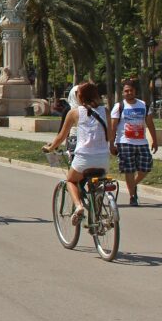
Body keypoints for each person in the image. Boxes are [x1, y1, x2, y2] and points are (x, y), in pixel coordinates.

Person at [43, 81, 112, 226]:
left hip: (84, 159)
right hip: (103, 159)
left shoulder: (74, 113)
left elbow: (61, 137)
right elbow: (110, 135)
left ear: (79, 97)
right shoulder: (105, 111)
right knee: (99, 183)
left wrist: (50, 148)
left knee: (71, 180)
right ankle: (98, 215)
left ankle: (79, 206)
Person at [110, 79, 158, 206]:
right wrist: (111, 144)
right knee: (129, 170)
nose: (129, 92)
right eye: (126, 91)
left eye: (131, 90)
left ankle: (132, 185)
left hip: (141, 142)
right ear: (123, 93)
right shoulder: (119, 106)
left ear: (135, 91)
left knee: (146, 167)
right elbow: (113, 127)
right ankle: (132, 196)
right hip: (124, 142)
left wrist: (155, 140)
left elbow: (150, 124)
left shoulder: (143, 105)